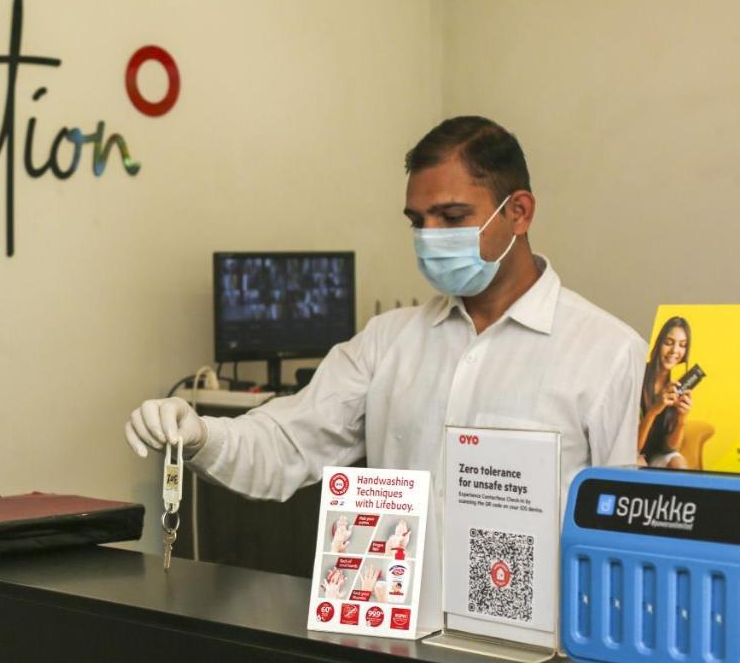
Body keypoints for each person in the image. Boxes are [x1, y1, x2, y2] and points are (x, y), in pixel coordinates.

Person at [125, 116, 645, 518]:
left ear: (519, 212)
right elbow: (288, 442)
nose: (430, 236)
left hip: (540, 648)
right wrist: (200, 436)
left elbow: (632, 521)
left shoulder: (607, 354)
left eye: (453, 216)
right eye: (418, 221)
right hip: (399, 637)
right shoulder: (388, 342)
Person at [637, 316, 693, 468]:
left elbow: (671, 448)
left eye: (682, 345)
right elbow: (634, 447)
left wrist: (681, 418)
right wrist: (654, 410)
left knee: (679, 464)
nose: (675, 351)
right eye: (669, 342)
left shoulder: (682, 381)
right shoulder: (640, 374)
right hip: (634, 450)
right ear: (658, 343)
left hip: (659, 454)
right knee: (639, 464)